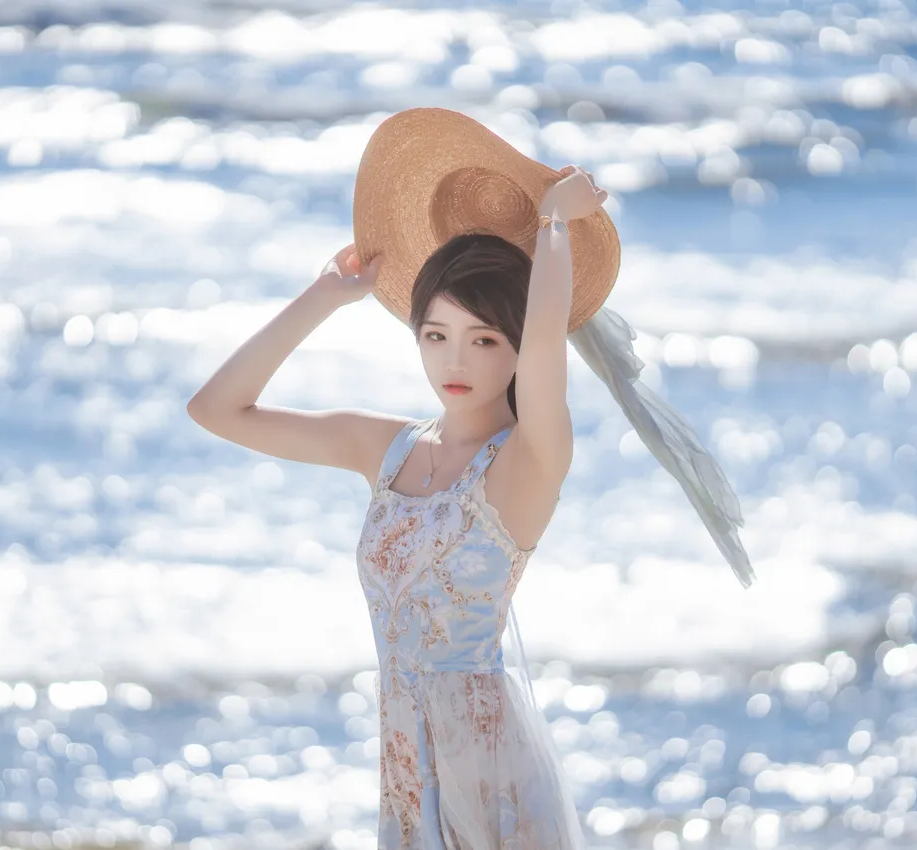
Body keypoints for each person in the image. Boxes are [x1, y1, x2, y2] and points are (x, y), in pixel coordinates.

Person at [186, 165, 607, 846]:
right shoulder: (385, 449)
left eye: (485, 339)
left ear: (520, 349)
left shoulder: (527, 462)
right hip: (406, 769)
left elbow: (549, 340)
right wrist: (325, 295)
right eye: (435, 335)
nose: (454, 360)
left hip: (488, 778)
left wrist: (555, 227)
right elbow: (215, 408)